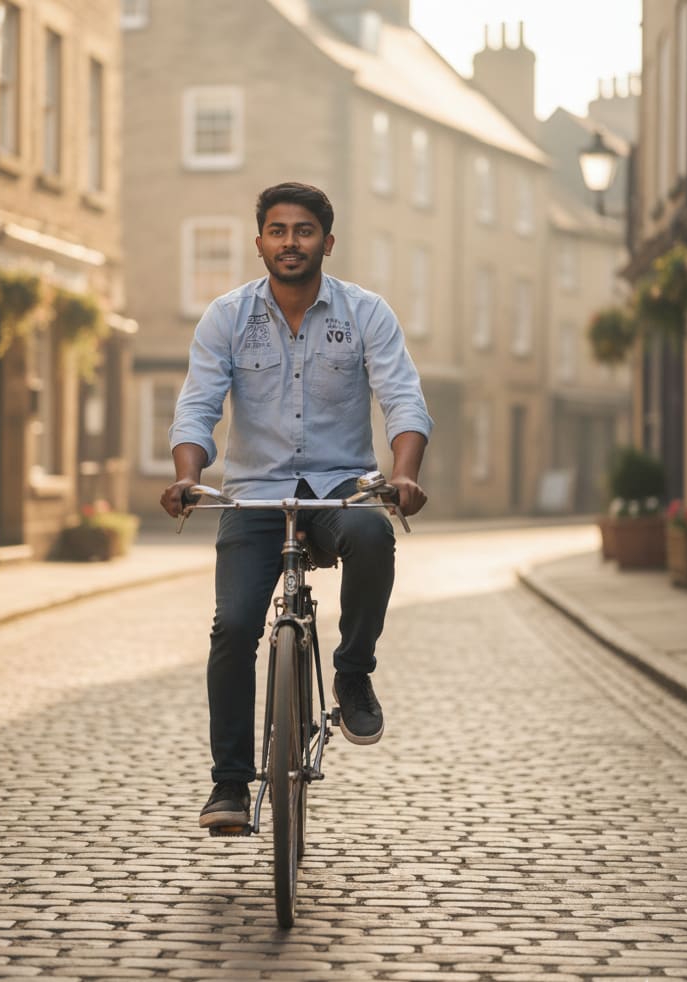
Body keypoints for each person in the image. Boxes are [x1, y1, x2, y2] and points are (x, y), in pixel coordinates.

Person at [160, 182, 433, 829]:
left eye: (304, 231)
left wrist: (404, 474)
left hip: (340, 488)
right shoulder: (227, 316)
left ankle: (353, 673)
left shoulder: (365, 313)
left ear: (326, 243)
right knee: (233, 629)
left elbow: (402, 398)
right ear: (259, 242)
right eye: (278, 231)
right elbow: (197, 406)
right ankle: (229, 785)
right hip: (254, 496)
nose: (290, 242)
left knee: (372, 535)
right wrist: (187, 478)